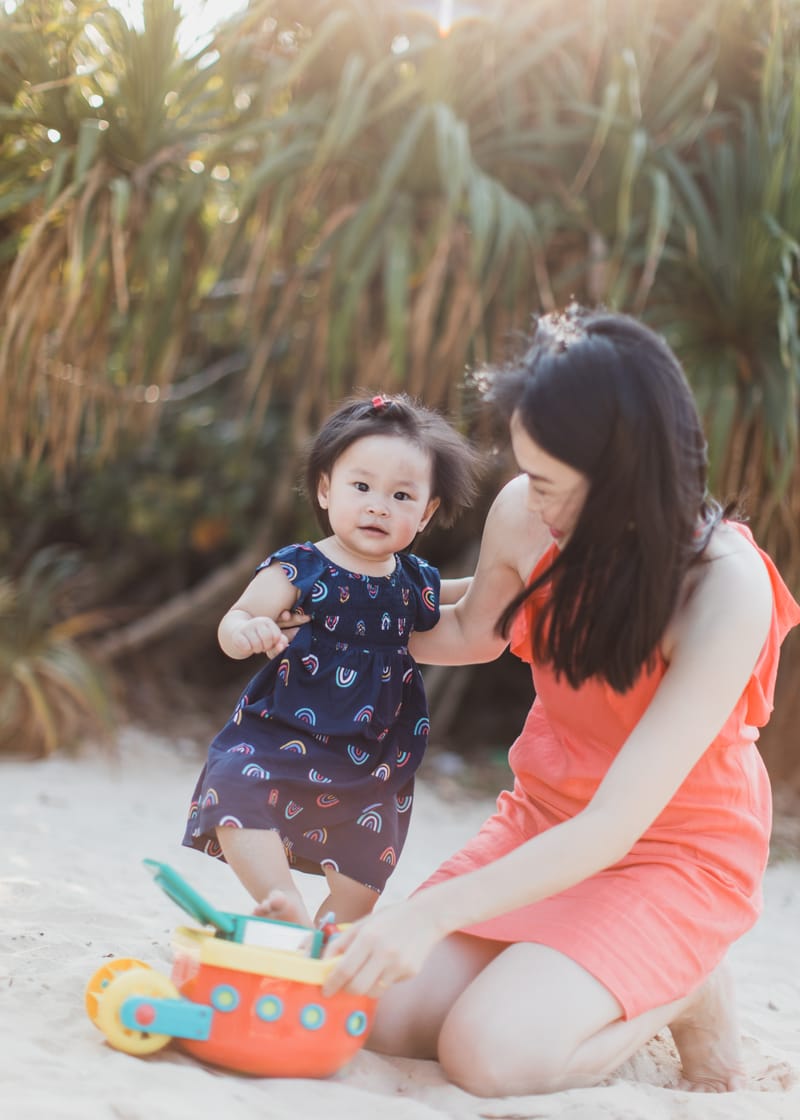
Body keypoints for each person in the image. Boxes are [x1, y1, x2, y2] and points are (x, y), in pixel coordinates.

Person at [317, 308, 800, 1096]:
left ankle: (690, 986)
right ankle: (564, 974)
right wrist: (332, 615)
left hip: (671, 849)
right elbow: (470, 629)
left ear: (620, 474)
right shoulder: (526, 511)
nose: (529, 498)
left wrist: (428, 916)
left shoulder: (722, 588)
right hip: (546, 818)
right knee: (379, 1012)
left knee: (490, 1055)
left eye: (547, 482)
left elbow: (615, 826)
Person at [182, 392, 482, 928]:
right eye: (361, 487)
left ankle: (321, 938)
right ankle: (282, 899)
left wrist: (513, 579)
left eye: (401, 495)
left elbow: (466, 594)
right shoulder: (301, 567)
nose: (378, 506)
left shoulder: (412, 579)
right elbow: (236, 618)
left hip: (373, 752)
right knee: (235, 783)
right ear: (325, 489)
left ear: (427, 512)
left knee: (364, 870)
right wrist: (247, 631)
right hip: (284, 732)